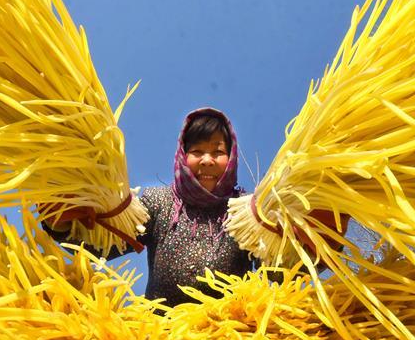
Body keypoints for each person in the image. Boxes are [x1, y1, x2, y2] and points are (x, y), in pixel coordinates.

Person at [39, 107, 257, 307]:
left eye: (217, 152)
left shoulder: (246, 211)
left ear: (231, 157)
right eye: (197, 151)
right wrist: (62, 224)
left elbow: (276, 273)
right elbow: (105, 246)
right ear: (182, 156)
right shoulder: (159, 201)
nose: (207, 160)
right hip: (160, 337)